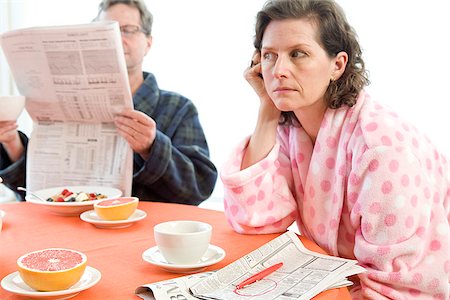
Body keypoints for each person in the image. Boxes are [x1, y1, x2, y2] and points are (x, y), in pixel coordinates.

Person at [220, 0, 449, 299]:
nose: (279, 70)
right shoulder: (293, 129)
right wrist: (267, 109)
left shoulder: (380, 147)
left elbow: (394, 282)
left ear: (337, 64)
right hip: (339, 286)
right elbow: (254, 219)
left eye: (298, 54)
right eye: (269, 56)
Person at [0, 0, 218, 205]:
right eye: (108, 29)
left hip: (143, 239)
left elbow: (199, 188)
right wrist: (11, 143)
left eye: (128, 30)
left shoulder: (178, 108)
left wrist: (152, 148)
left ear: (148, 43)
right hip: (68, 233)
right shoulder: (65, 101)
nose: (116, 38)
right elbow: (40, 193)